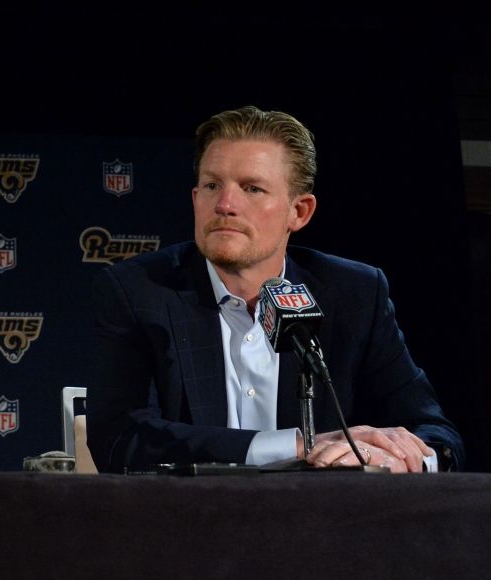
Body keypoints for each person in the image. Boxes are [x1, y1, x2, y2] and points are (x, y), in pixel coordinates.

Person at [87, 106, 463, 474]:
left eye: (252, 188)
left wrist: (405, 459)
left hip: (322, 529)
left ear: (298, 212)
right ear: (195, 198)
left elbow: (434, 433)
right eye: (212, 185)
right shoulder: (139, 292)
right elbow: (120, 438)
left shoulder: (355, 295)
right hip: (191, 525)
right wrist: (300, 445)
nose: (225, 204)